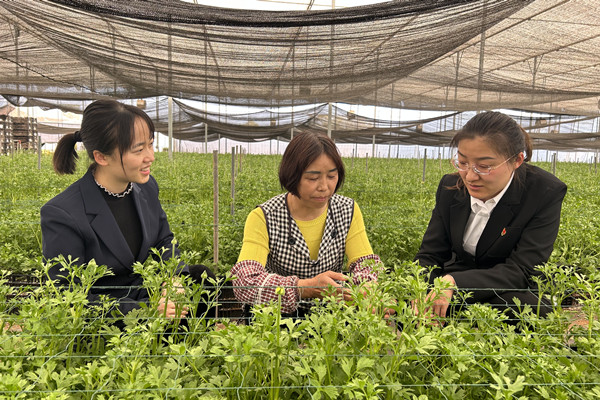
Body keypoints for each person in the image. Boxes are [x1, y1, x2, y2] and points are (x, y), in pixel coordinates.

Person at [41, 99, 216, 324]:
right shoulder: (63, 212)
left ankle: (194, 340)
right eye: (138, 150)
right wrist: (146, 310)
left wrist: (173, 280)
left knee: (202, 278)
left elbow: (164, 239)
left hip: (146, 293)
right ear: (101, 157)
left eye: (150, 144)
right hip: (108, 317)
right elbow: (68, 296)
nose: (150, 156)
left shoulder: (146, 187)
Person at [414, 111, 567, 322]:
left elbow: (522, 270)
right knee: (407, 304)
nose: (470, 176)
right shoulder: (450, 187)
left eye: (484, 167)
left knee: (528, 310)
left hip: (507, 285)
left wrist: (455, 284)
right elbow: (430, 255)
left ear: (517, 160)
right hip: (456, 275)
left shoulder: (543, 192)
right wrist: (419, 292)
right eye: (462, 162)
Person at [231, 132, 383, 318]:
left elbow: (366, 264)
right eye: (313, 178)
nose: (324, 186)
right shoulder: (264, 216)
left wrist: (367, 285)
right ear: (292, 175)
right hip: (277, 316)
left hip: (330, 314)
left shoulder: (346, 210)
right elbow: (245, 282)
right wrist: (303, 287)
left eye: (332, 176)